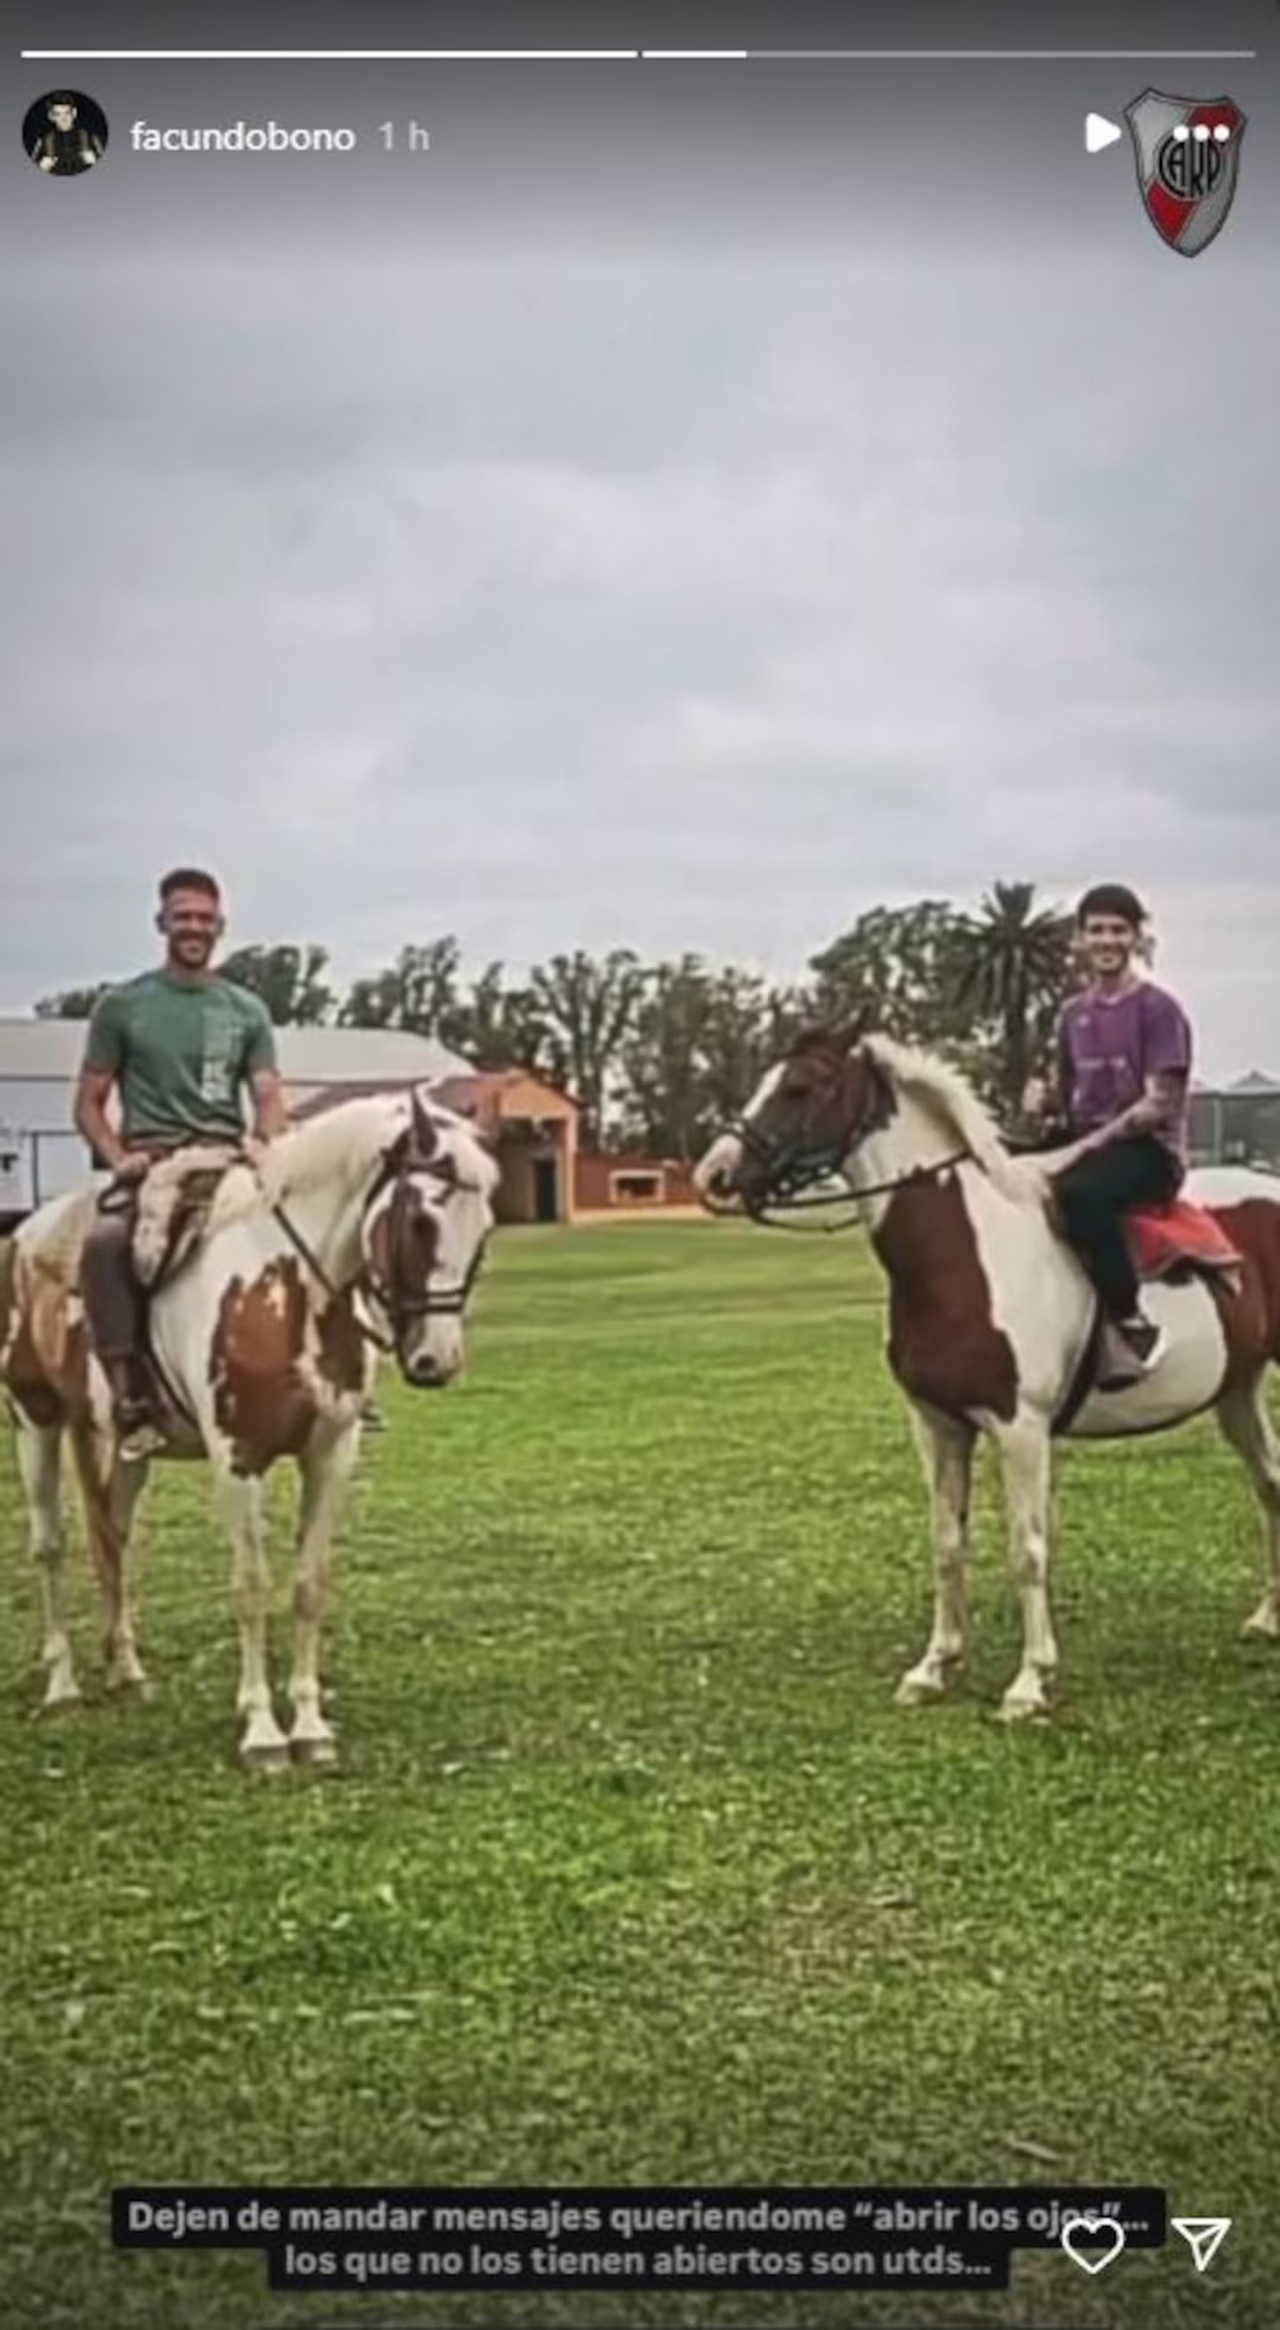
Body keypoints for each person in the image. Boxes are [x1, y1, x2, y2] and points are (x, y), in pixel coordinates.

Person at [74, 868, 288, 1458]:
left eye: (203, 918)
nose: (193, 926)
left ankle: (327, 1379)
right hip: (154, 1165)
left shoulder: (246, 1010)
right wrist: (118, 1158)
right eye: (182, 916)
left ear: (219, 926)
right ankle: (129, 1398)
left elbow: (267, 1093)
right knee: (106, 1244)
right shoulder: (123, 1006)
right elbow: (88, 1103)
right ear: (161, 922)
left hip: (226, 1159)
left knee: (308, 1231)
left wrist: (265, 1142)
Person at [1023, 883, 1192, 1391]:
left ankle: (1130, 1322)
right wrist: (1043, 1104)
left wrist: (1079, 1149)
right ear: (1080, 938)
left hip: (1149, 1154)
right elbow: (1069, 1096)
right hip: (1087, 1144)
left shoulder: (1159, 1010)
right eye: (1096, 929)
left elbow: (1157, 1103)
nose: (1107, 939)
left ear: (1137, 937)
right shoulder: (1072, 1015)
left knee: (1079, 1193)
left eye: (1118, 929)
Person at [30, 96, 103, 175]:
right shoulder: (43, 141)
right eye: (57, 114)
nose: (63, 118)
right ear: (51, 116)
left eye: (67, 113)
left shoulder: (91, 138)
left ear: (74, 112)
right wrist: (41, 167)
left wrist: (95, 162)